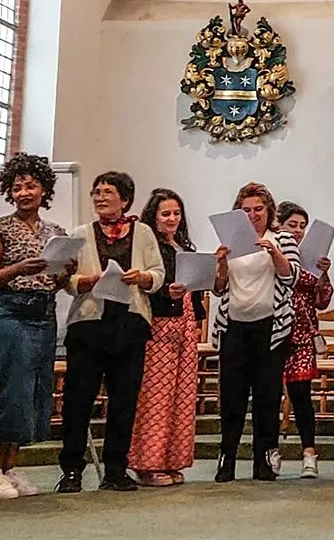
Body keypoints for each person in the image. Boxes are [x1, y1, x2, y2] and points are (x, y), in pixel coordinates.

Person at [57, 171, 165, 494]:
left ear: (125, 200)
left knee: (124, 401)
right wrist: (83, 282)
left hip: (129, 323)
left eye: (108, 192)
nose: (101, 197)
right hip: (88, 324)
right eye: (97, 192)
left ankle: (115, 469)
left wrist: (142, 277)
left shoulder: (144, 233)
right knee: (78, 400)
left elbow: (158, 274)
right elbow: (66, 280)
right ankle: (72, 469)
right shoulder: (79, 233)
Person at [0, 153, 69, 499]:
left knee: (34, 392)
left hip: (43, 314)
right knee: (11, 390)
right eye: (17, 187)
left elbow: (53, 281)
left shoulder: (54, 232)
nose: (24, 192)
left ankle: (10, 468)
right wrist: (18, 269)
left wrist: (65, 273)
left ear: (44, 190)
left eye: (31, 186)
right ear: (9, 192)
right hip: (9, 314)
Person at [212, 182, 300, 482]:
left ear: (268, 210)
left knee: (267, 396)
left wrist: (274, 252)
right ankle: (227, 457)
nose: (252, 215)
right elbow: (219, 287)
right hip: (234, 325)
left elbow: (291, 278)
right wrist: (221, 265)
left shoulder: (283, 238)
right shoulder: (231, 241)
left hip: (270, 328)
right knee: (232, 397)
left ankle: (264, 458)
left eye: (258, 209)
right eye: (246, 210)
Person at [128, 188, 206, 487]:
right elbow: (147, 284)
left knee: (181, 396)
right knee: (156, 396)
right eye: (165, 213)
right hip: (158, 325)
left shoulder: (183, 244)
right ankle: (147, 464)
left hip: (184, 323)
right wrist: (165, 291)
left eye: (176, 213)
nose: (172, 218)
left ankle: (171, 460)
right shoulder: (150, 247)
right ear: (154, 217)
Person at [277, 201, 334, 479]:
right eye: (292, 225)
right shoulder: (274, 252)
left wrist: (324, 272)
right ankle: (271, 451)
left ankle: (309, 453)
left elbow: (323, 301)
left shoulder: (310, 260)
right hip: (274, 332)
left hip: (301, 334)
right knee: (269, 397)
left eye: (302, 226)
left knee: (301, 397)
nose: (298, 232)